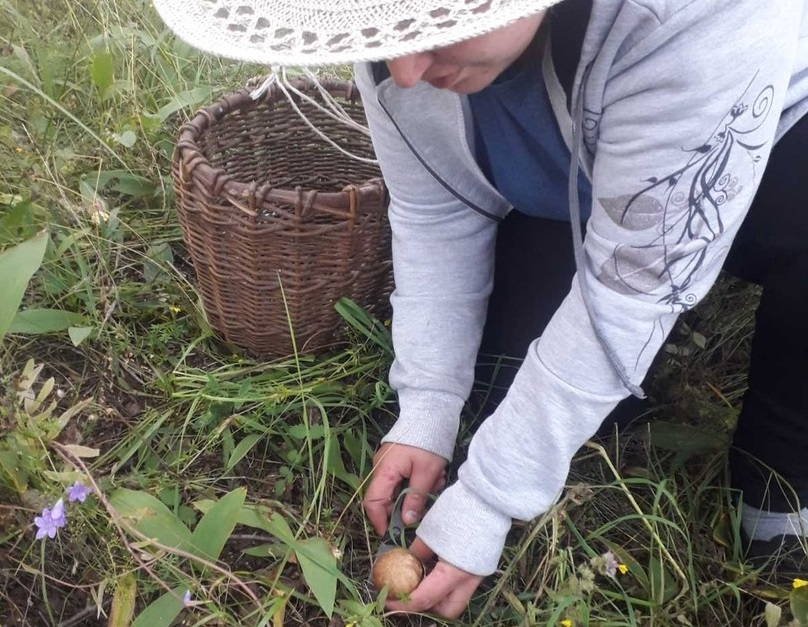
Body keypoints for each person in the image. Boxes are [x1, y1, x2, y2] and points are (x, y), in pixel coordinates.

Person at [154, 0, 808, 619]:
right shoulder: (405, 51)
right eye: (389, 28)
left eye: (435, 16)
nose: (406, 71)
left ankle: (780, 489)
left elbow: (633, 288)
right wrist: (428, 404)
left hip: (776, 146)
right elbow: (433, 206)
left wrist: (493, 494)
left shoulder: (692, 22)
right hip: (581, 171)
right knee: (510, 385)